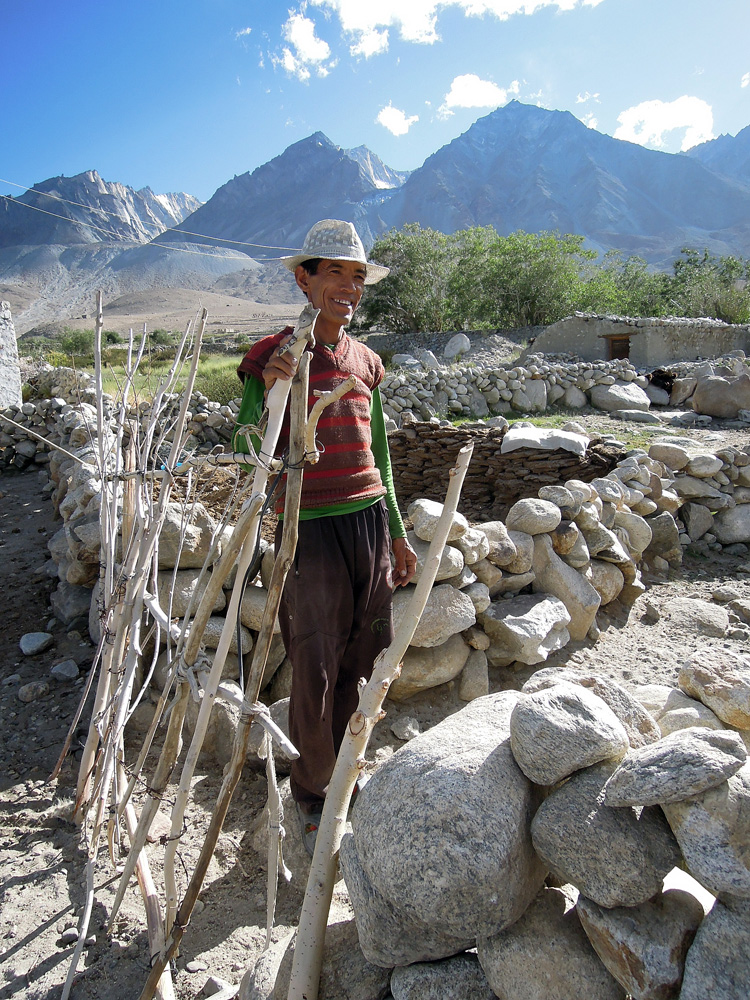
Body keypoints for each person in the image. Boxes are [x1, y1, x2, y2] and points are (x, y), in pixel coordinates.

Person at [233, 219, 417, 855]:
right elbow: (243, 445)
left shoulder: (367, 360)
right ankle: (314, 792)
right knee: (312, 660)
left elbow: (381, 455)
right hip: (307, 529)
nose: (348, 285)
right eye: (333, 271)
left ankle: (349, 766)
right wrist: (273, 390)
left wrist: (395, 531)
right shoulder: (272, 355)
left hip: (366, 519)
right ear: (303, 278)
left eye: (358, 275)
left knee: (364, 654)